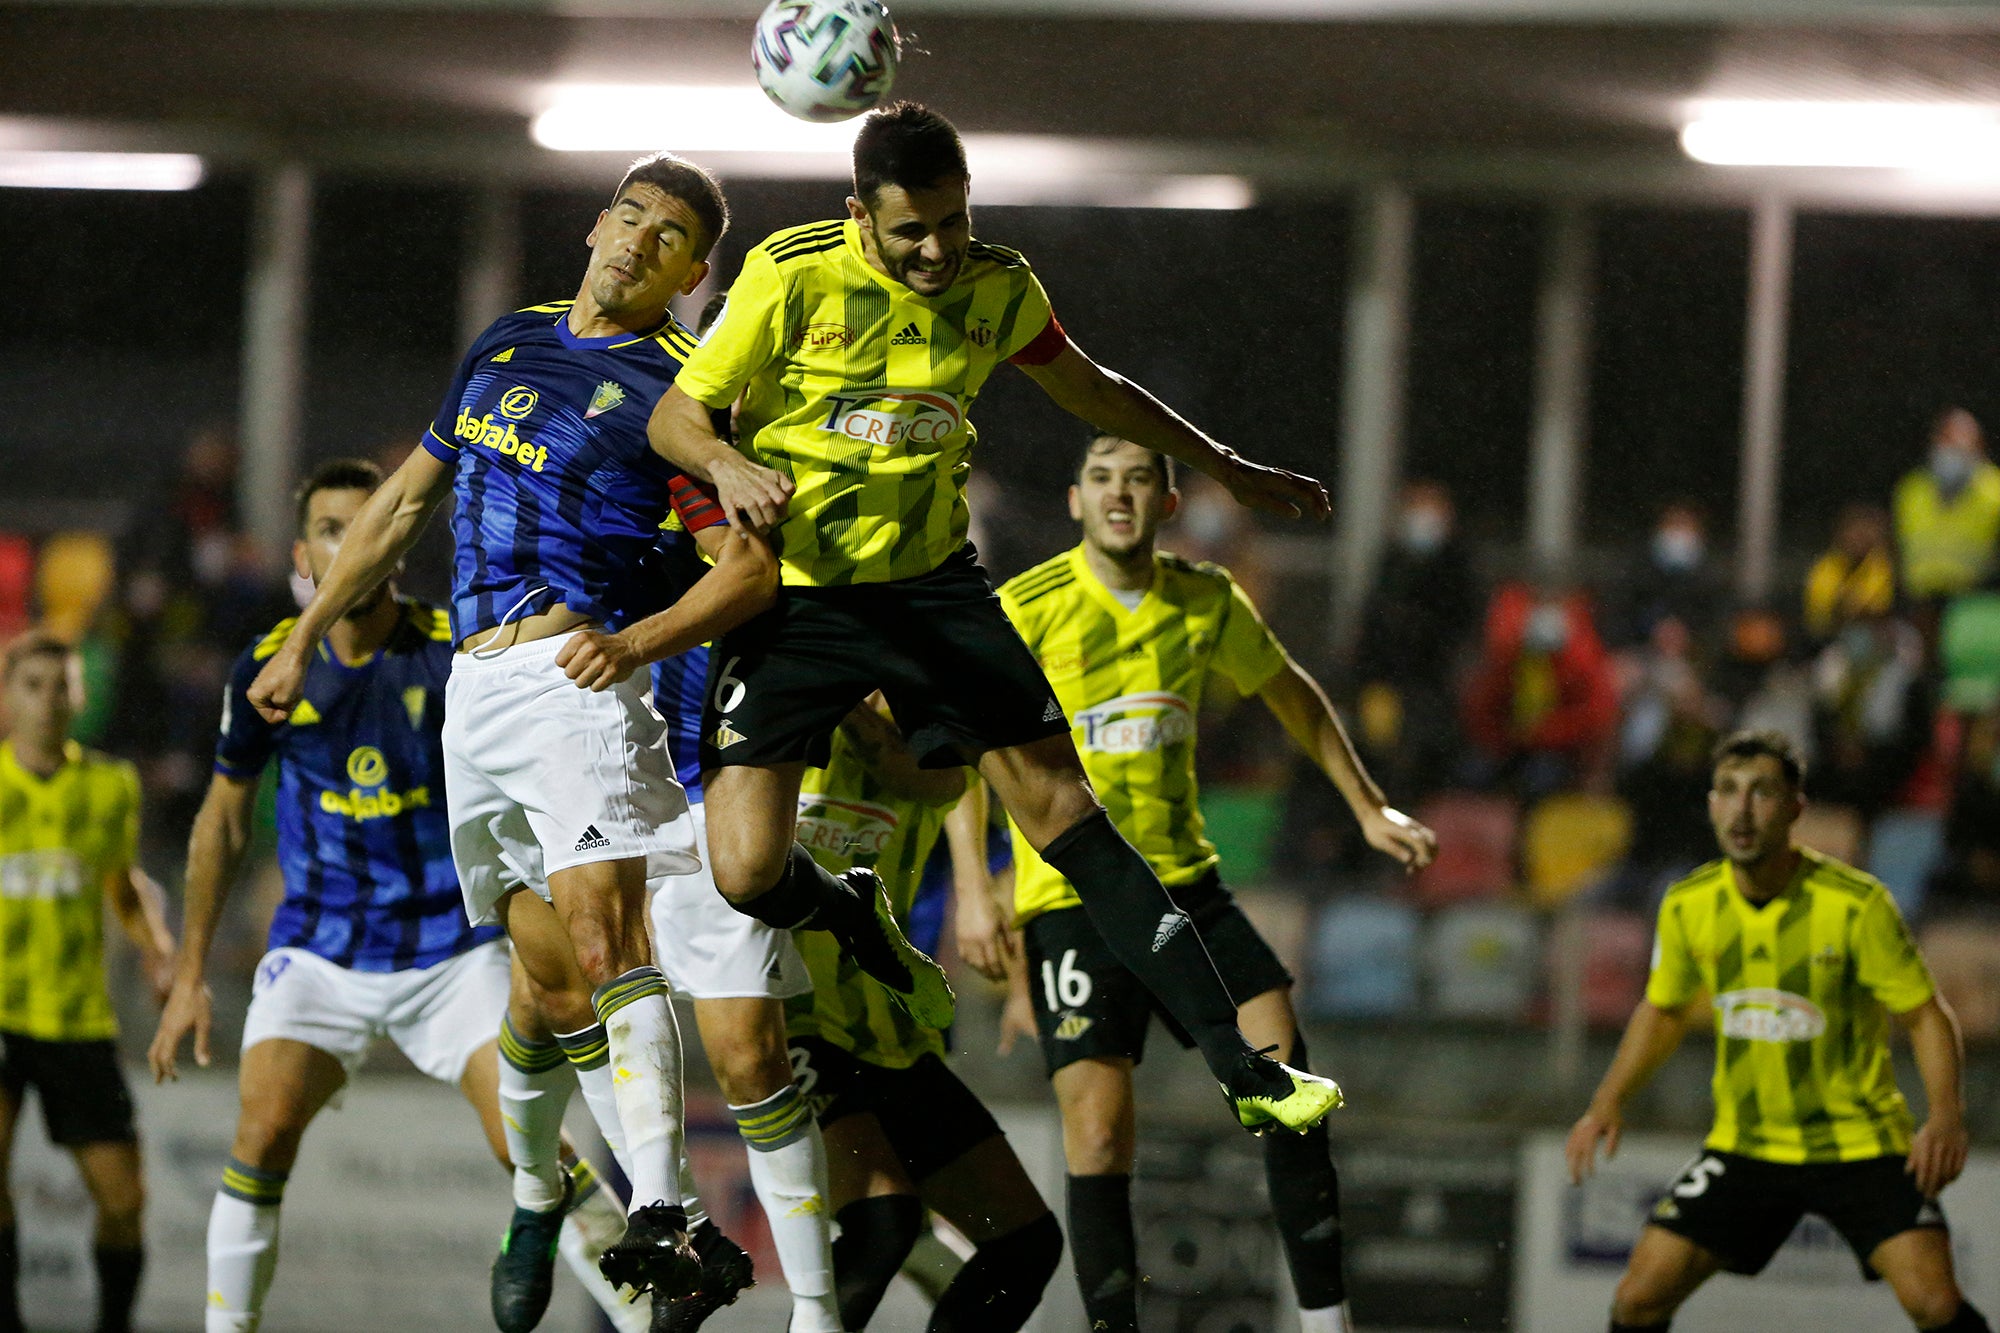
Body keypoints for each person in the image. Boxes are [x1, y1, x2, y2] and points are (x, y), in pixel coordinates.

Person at [645, 99, 1341, 1136]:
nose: (935, 249)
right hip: (798, 599)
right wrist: (726, 460)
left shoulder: (999, 287)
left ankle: (1244, 1068)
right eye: (910, 231)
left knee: (1064, 811)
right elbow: (674, 415)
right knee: (744, 872)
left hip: (930, 589)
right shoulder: (791, 276)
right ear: (858, 216)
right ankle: (857, 916)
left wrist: (1224, 467)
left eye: (951, 223)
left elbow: (1096, 392)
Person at [243, 152, 782, 1313]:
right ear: (595, 225)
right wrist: (301, 638)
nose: (640, 241)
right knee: (542, 988)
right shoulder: (505, 342)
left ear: (693, 273)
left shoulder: (677, 394)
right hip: (472, 695)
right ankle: (541, 1192)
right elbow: (398, 508)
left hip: (573, 681)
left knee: (604, 936)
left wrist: (636, 644)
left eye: (671, 236)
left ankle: (661, 1204)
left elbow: (747, 571)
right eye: (630, 215)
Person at [147, 460, 644, 1333]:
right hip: (320, 952)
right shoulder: (267, 669)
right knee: (260, 1130)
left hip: (452, 951)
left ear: (402, 542)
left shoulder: (461, 648)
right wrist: (189, 972)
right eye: (331, 529)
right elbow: (219, 825)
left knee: (530, 1150)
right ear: (305, 556)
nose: (352, 543)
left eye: (367, 522)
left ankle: (644, 1312)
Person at [983, 435, 1434, 1333]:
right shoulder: (1025, 606)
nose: (1119, 494)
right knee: (1102, 1134)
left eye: (1139, 479)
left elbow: (1292, 690)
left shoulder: (1204, 599)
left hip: (1186, 885)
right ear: (1074, 501)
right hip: (1074, 903)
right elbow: (972, 746)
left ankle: (1325, 1323)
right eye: (1101, 478)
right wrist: (974, 884)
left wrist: (1368, 807)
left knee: (1289, 1081)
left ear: (1169, 504)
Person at [1567, 730, 1989, 1333]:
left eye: (1762, 793)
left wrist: (1945, 1115)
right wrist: (1606, 1103)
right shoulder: (1689, 904)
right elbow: (1662, 1010)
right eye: (1729, 792)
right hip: (1747, 1147)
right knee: (1638, 1299)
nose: (1743, 811)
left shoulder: (1855, 906)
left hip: (1860, 1144)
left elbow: (1926, 1014)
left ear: (1795, 808)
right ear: (1712, 805)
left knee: (1935, 1304)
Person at [631, 492, 839, 1333]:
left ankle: (817, 1308)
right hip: (600, 793)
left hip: (718, 794)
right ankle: (661, 1247)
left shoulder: (765, 488)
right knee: (576, 1023)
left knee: (750, 1060)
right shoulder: (609, 455)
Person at [786, 697, 1060, 1331]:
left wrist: (1016, 976)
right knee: (884, 1222)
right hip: (787, 1021)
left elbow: (993, 860)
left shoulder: (935, 750)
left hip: (893, 1026)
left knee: (1027, 1243)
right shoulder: (784, 717)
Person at [0, 632, 175, 1333]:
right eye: (32, 684)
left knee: (124, 1199)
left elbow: (123, 886)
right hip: (2, 1010)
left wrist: (161, 952)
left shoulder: (109, 785)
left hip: (75, 1017)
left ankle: (113, 1322)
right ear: (9, 695)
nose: (47, 700)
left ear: (80, 696)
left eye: (60, 685)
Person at [1895, 407, 2000, 605]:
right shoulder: (1911, 490)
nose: (1953, 449)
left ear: (1980, 446)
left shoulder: (1995, 490)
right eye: (1946, 439)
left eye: (1962, 440)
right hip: (1919, 602)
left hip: (1978, 601)